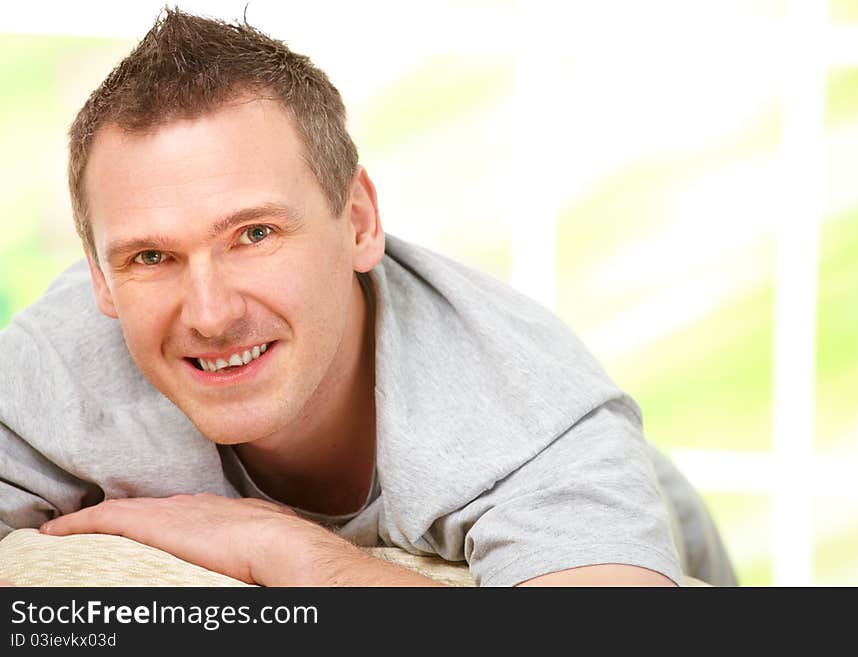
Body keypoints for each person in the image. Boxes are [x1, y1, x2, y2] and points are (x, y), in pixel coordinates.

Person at [0, 8, 736, 587]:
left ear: (358, 222)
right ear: (99, 275)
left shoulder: (526, 412)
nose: (211, 313)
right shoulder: (54, 367)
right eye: (151, 256)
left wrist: (287, 551)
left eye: (254, 234)